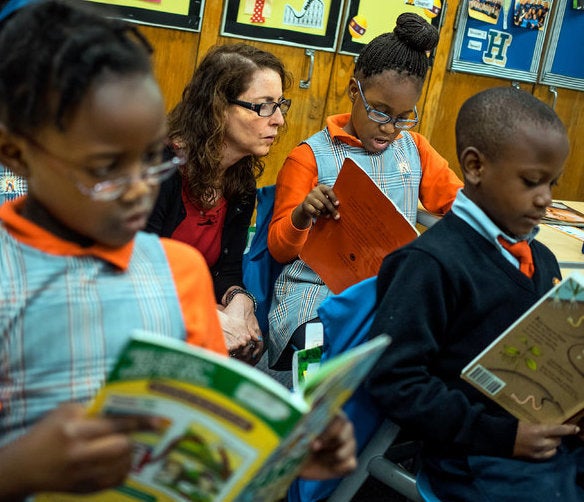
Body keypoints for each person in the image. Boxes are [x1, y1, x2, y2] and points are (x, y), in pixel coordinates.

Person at [0, 0, 356, 498]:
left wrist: (284, 449)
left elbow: (200, 433)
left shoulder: (180, 270)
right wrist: (19, 469)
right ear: (16, 154)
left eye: (151, 160)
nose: (138, 188)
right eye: (105, 167)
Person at [366, 86, 584, 501]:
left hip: (544, 434)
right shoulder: (429, 264)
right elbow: (395, 383)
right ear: (475, 166)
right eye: (532, 182)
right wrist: (502, 436)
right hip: (476, 453)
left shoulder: (542, 259)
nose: (545, 200)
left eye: (552, 184)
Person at [267, 13, 463, 372]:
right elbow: (279, 249)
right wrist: (302, 215)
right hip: (316, 296)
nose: (390, 128)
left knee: (433, 355)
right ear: (354, 90)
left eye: (404, 116)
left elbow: (460, 205)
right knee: (328, 365)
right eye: (380, 111)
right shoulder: (309, 157)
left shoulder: (414, 148)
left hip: (386, 295)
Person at [146, 43, 292, 364]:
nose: (279, 120)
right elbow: (137, 274)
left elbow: (223, 270)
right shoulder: (161, 168)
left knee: (251, 344)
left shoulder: (239, 181)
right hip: (142, 313)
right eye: (264, 106)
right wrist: (211, 316)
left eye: (280, 104)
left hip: (183, 314)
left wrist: (240, 302)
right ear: (218, 107)